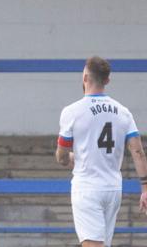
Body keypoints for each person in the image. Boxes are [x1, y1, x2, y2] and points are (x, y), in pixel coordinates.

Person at [55, 56, 147, 247]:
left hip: (87, 187)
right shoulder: (123, 112)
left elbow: (62, 155)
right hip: (113, 188)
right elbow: (137, 151)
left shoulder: (72, 112)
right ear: (107, 80)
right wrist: (145, 188)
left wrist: (68, 158)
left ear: (85, 77)